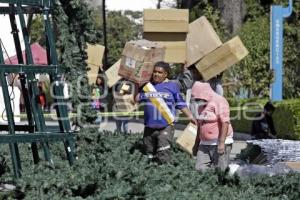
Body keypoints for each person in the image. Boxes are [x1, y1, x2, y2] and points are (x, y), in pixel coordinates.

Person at [136, 61, 196, 164]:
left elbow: (180, 103)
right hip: (149, 128)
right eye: (155, 72)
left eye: (160, 72)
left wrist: (191, 116)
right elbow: (136, 99)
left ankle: (165, 174)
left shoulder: (172, 86)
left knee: (163, 154)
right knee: (148, 155)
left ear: (165, 74)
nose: (156, 74)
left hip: (166, 126)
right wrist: (135, 83)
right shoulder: (147, 86)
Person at [191, 81, 233, 172]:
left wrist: (221, 143)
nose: (198, 101)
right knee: (199, 169)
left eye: (199, 99)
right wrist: (196, 144)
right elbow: (200, 125)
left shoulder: (219, 101)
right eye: (196, 99)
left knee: (220, 171)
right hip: (204, 143)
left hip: (219, 143)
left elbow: (225, 122)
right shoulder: (201, 106)